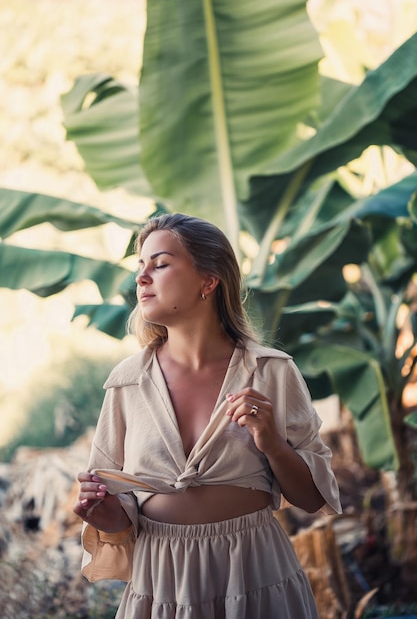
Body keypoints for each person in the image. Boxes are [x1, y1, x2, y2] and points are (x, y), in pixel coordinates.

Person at [73, 212, 341, 619]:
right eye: (139, 267)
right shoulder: (127, 382)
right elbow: (119, 514)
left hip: (254, 569)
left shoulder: (271, 371)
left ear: (209, 280)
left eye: (160, 264)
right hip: (161, 579)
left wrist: (272, 444)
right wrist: (100, 510)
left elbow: (311, 498)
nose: (142, 278)